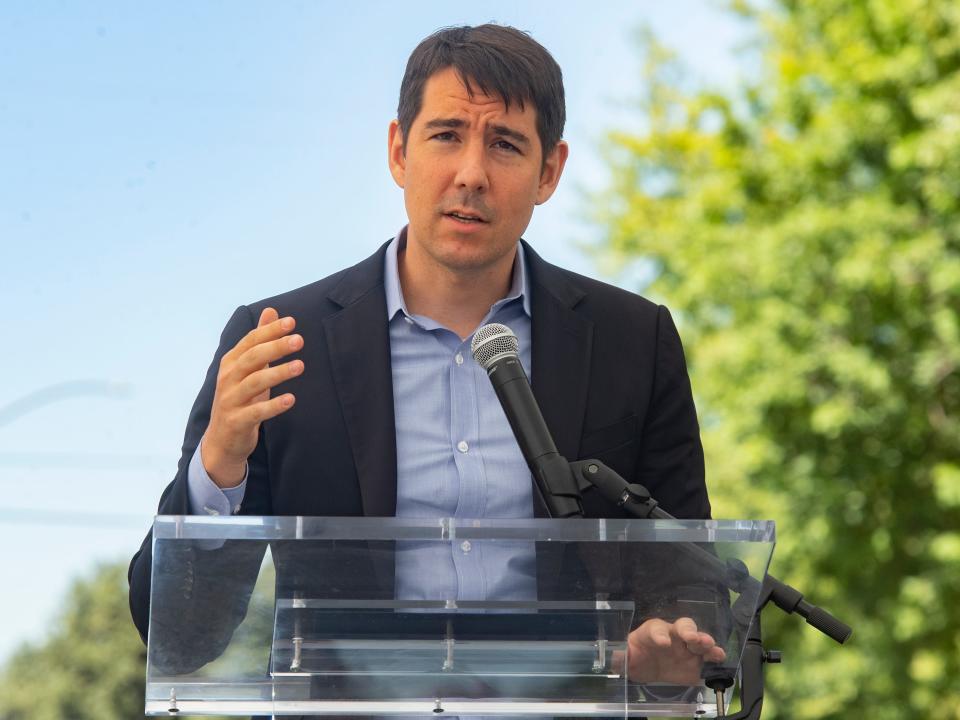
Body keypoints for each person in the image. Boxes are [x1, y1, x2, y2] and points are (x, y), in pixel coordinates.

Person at [129, 23, 724, 688]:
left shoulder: (630, 342)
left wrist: (673, 635)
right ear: (398, 151)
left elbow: (687, 574)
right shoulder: (280, 343)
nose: (471, 174)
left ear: (548, 172)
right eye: (446, 136)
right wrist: (219, 468)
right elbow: (178, 638)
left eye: (505, 145)